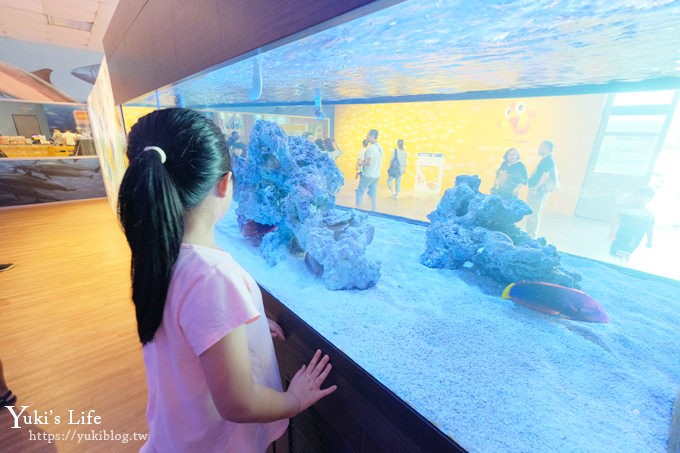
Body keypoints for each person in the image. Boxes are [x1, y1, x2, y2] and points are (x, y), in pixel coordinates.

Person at [117, 108, 337, 452]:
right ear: (224, 183)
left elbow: (191, 329)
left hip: (177, 437)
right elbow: (239, 403)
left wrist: (246, 324)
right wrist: (294, 399)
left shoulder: (159, 252)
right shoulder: (212, 277)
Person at [609, 187, 655, 260]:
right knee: (613, 253)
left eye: (642, 196)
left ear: (649, 199)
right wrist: (611, 234)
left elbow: (649, 228)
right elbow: (615, 221)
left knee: (623, 255)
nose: (638, 198)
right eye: (637, 195)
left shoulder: (648, 214)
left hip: (633, 239)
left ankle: (622, 264)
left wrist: (649, 240)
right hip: (620, 235)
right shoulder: (624, 210)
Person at [525, 140, 557, 238]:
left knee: (533, 213)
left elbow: (545, 175)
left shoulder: (548, 161)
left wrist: (536, 188)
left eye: (542, 146)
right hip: (535, 189)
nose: (540, 148)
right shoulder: (545, 160)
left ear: (548, 148)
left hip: (537, 191)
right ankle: (529, 234)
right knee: (532, 212)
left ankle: (531, 236)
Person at [355, 129, 383, 211]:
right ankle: (374, 210)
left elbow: (369, 162)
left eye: (367, 135)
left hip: (368, 175)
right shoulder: (380, 147)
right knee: (373, 194)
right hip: (376, 175)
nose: (366, 136)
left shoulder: (371, 148)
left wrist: (360, 164)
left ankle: (358, 209)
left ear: (371, 136)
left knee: (359, 193)